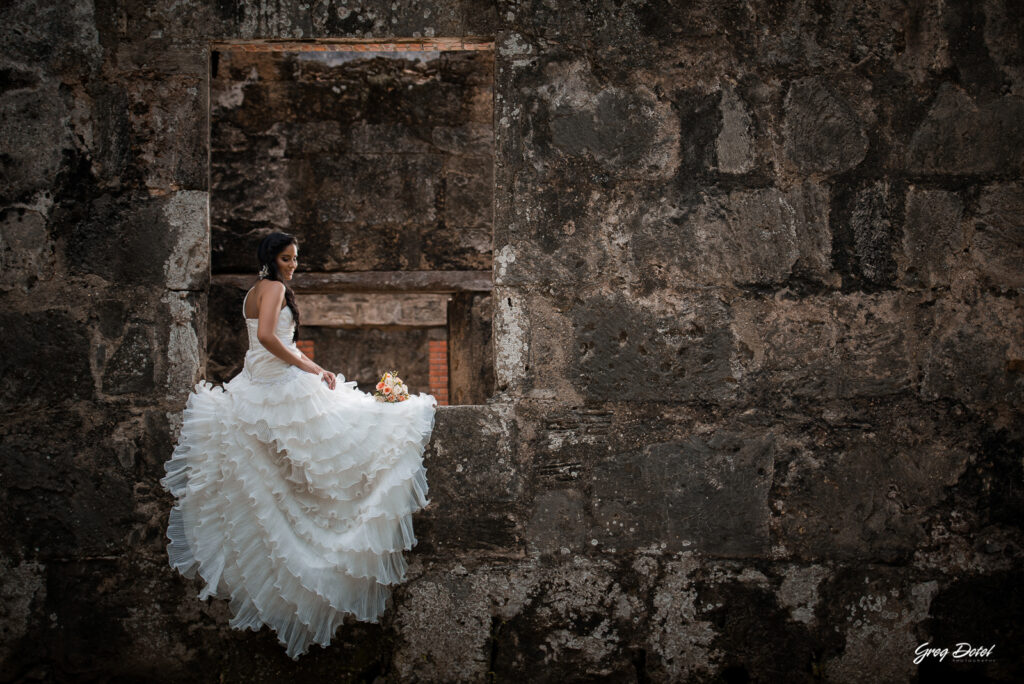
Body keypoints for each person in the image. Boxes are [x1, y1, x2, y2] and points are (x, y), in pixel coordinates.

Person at [160, 231, 437, 659]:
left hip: (257, 380)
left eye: (295, 258)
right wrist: (311, 366)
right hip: (275, 379)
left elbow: (262, 339)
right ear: (270, 259)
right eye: (287, 258)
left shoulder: (254, 290)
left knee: (312, 449)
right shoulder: (271, 288)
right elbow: (270, 338)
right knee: (347, 429)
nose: (293, 265)